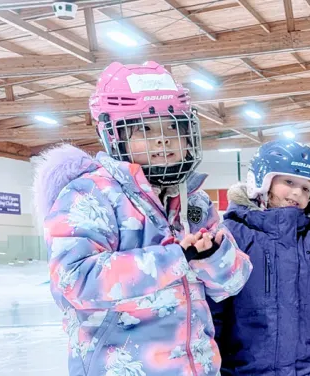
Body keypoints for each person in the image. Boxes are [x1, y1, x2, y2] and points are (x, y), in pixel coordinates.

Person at [32, 61, 252, 376]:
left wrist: (211, 257)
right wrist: (178, 257)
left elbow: (231, 282)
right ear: (115, 136)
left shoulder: (193, 203)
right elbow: (73, 283)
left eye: (173, 127)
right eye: (144, 129)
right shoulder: (90, 195)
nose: (162, 139)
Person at [208, 140, 310, 376]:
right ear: (261, 181)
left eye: (306, 188)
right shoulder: (232, 233)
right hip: (244, 368)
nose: (297, 192)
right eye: (289, 182)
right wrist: (207, 353)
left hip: (307, 368)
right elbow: (215, 303)